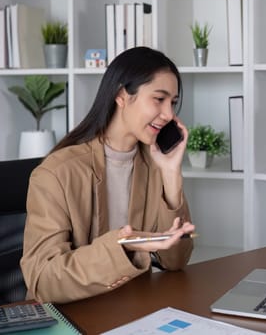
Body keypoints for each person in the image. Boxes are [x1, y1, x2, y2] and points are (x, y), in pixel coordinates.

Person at [20, 47, 195, 303]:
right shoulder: (56, 172)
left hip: (133, 307)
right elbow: (44, 281)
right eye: (159, 99)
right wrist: (123, 244)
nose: (169, 114)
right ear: (122, 96)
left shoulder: (155, 163)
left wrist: (171, 176)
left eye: (173, 102)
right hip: (75, 314)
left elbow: (176, 262)